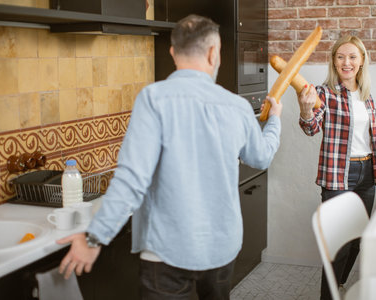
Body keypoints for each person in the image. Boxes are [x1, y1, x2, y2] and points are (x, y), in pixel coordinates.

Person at [57, 14, 282, 300]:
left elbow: (131, 179)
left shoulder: (153, 99)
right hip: (220, 249)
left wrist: (94, 237)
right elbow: (261, 157)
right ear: (214, 53)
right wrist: (274, 120)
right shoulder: (236, 106)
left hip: (165, 251)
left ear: (173, 52)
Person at [298, 35, 376, 300]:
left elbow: (365, 134)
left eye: (353, 56)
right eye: (341, 56)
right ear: (333, 60)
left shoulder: (365, 94)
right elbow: (312, 129)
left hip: (366, 173)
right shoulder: (324, 92)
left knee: (357, 239)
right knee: (338, 245)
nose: (347, 62)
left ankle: (339, 285)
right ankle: (328, 296)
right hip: (337, 175)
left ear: (362, 61)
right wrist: (306, 111)